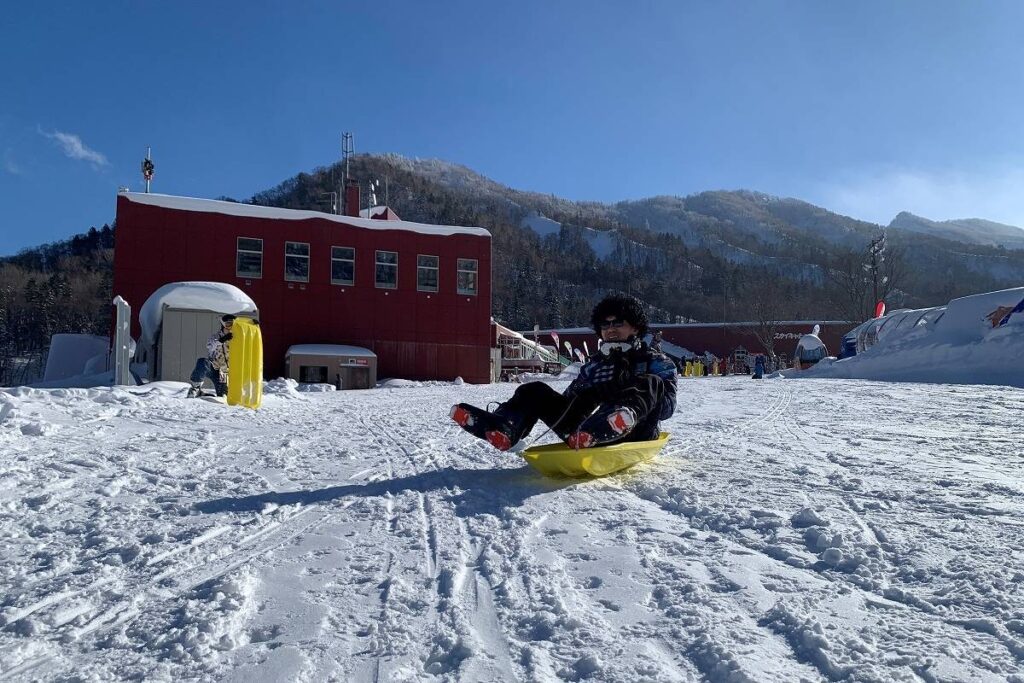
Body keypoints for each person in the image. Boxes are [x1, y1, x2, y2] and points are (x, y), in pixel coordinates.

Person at [451, 295, 677, 450]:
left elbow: (666, 408)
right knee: (535, 391)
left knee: (651, 382)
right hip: (586, 433)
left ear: (635, 327)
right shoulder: (594, 366)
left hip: (637, 432)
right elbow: (568, 404)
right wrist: (587, 394)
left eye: (618, 324)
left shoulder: (656, 361)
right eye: (605, 325)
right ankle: (505, 427)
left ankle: (617, 421)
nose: (611, 330)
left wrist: (621, 390)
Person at [188, 314, 235, 397]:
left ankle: (206, 395)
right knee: (203, 362)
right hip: (213, 368)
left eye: (233, 325)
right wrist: (221, 340)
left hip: (224, 373)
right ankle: (195, 388)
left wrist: (253, 325)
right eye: (228, 324)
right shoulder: (215, 337)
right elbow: (210, 346)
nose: (231, 327)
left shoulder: (238, 339)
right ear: (223, 325)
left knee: (223, 395)